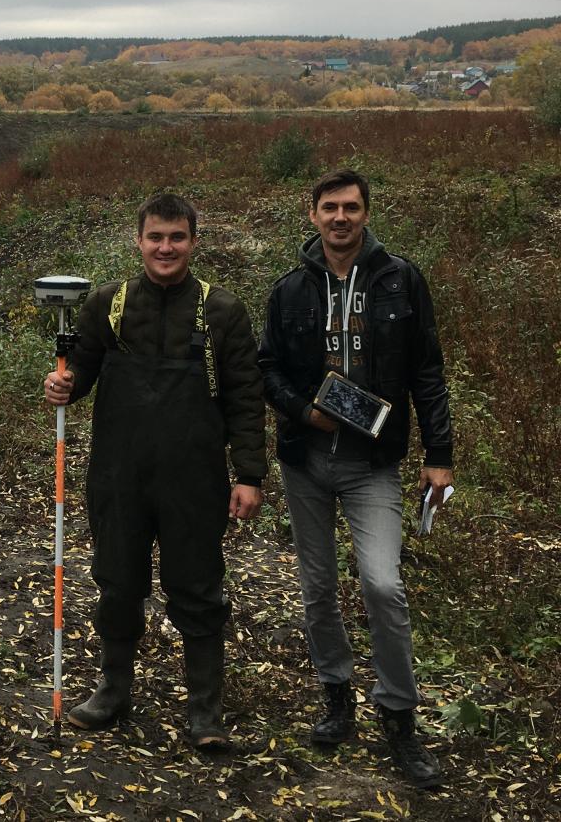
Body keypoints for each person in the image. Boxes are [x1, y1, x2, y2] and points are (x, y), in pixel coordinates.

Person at [44, 192, 266, 748]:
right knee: (118, 584)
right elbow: (82, 377)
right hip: (119, 477)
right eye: (155, 237)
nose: (166, 248)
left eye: (177, 237)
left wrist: (249, 475)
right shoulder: (107, 304)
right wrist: (61, 387)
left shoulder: (223, 311)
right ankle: (113, 692)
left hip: (194, 481)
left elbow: (245, 397)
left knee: (198, 588)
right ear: (138, 241)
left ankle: (204, 711)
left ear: (194, 240)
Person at [257, 168, 453, 788]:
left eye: (351, 207)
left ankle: (398, 714)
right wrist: (302, 411)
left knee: (382, 585)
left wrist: (439, 452)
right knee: (317, 587)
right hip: (305, 460)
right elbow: (268, 370)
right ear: (311, 214)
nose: (340, 218)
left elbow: (427, 369)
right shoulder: (290, 289)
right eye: (329, 208)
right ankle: (336, 694)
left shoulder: (401, 280)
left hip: (374, 463)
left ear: (367, 213)